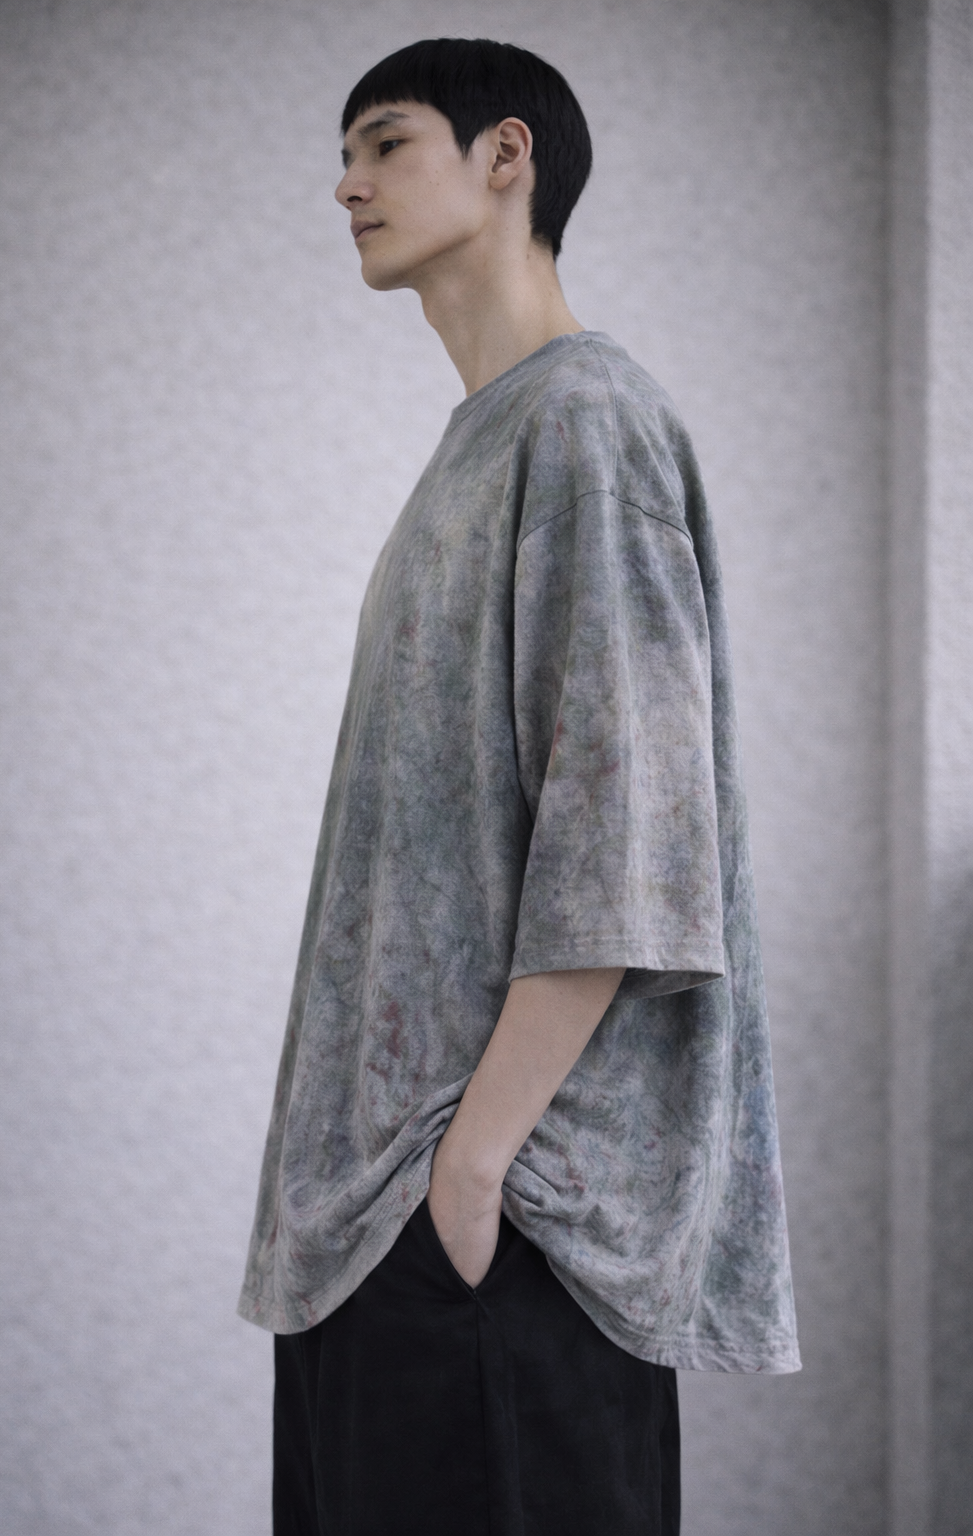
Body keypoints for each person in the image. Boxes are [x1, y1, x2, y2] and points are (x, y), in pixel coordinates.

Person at [239, 36, 800, 1536]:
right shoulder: (480, 448)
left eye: (385, 142)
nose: (345, 184)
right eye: (345, 155)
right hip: (385, 1232)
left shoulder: (586, 423)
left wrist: (473, 1174)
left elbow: (629, 848)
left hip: (503, 1229)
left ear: (506, 157)